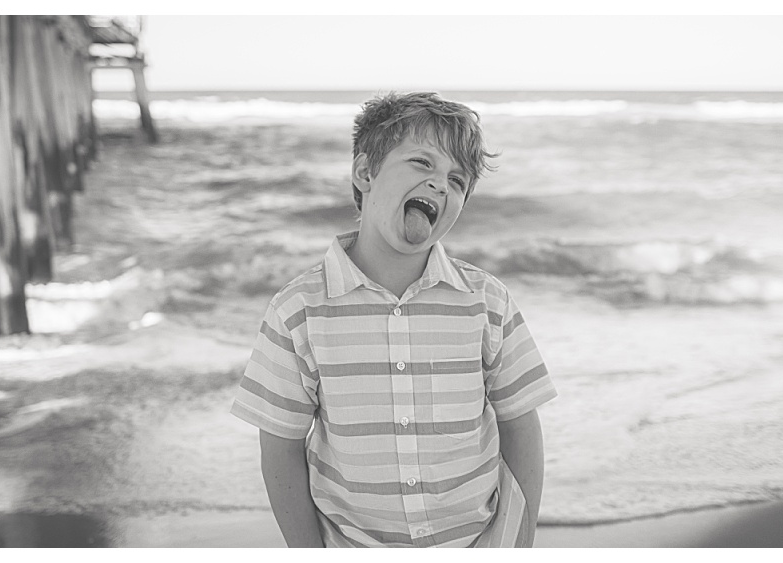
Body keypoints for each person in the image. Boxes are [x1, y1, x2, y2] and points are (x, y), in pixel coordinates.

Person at [230, 92, 557, 548]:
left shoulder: (487, 302)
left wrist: (516, 545)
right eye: (423, 163)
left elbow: (521, 426)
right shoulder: (298, 310)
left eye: (458, 180)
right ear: (365, 173)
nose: (441, 184)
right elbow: (280, 448)